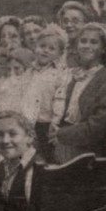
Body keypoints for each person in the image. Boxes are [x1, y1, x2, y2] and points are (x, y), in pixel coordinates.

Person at [50, 22, 106, 163]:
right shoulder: (72, 75)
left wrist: (62, 134)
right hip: (62, 145)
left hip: (86, 150)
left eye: (94, 42)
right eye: (83, 41)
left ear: (103, 48)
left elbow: (98, 125)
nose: (87, 46)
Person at [23, 24, 68, 163]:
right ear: (36, 47)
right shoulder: (29, 71)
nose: (45, 51)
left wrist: (55, 122)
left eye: (51, 48)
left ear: (59, 53)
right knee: (29, 154)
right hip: (29, 121)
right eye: (42, 46)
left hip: (46, 123)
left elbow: (59, 99)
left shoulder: (59, 74)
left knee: (48, 156)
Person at [58, 0, 97, 68]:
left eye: (75, 21)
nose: (69, 25)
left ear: (86, 23)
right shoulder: (58, 49)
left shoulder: (92, 49)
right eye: (65, 21)